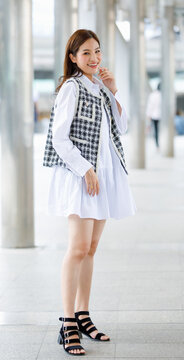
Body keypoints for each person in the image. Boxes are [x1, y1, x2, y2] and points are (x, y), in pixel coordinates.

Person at [43, 29, 137, 356]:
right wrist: (85, 169)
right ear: (72, 58)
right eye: (85, 53)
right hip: (82, 175)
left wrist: (112, 91)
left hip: (104, 175)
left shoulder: (98, 87)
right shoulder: (71, 88)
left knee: (91, 248)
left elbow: (122, 128)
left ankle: (83, 314)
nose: (94, 58)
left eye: (96, 51)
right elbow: (59, 137)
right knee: (78, 248)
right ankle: (68, 321)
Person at [146, 82, 162, 148]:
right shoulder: (163, 95)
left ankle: (157, 144)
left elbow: (150, 106)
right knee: (160, 130)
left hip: (154, 115)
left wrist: (148, 115)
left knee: (156, 130)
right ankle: (160, 143)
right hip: (161, 116)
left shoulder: (153, 95)